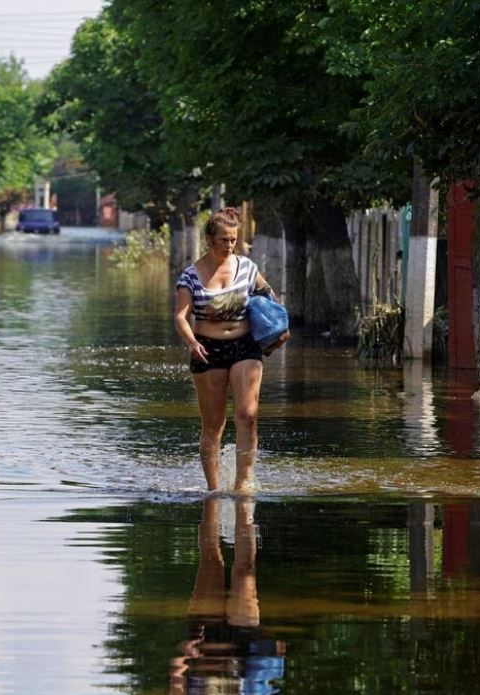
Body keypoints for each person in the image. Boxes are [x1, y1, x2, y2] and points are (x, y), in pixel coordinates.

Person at [173, 207, 289, 494]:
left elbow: (269, 299)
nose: (230, 245)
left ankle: (243, 483)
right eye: (224, 239)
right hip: (207, 350)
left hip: (244, 346)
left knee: (247, 415)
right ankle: (213, 490)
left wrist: (278, 330)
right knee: (213, 425)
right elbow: (180, 317)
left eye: (234, 239)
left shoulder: (248, 268)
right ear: (210, 240)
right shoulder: (190, 276)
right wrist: (192, 343)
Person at [169, 496, 285, 694]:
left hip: (204, 642)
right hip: (246, 650)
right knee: (245, 571)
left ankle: (219, 497)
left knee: (211, 560)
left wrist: (184, 653)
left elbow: (176, 679)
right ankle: (240, 499)